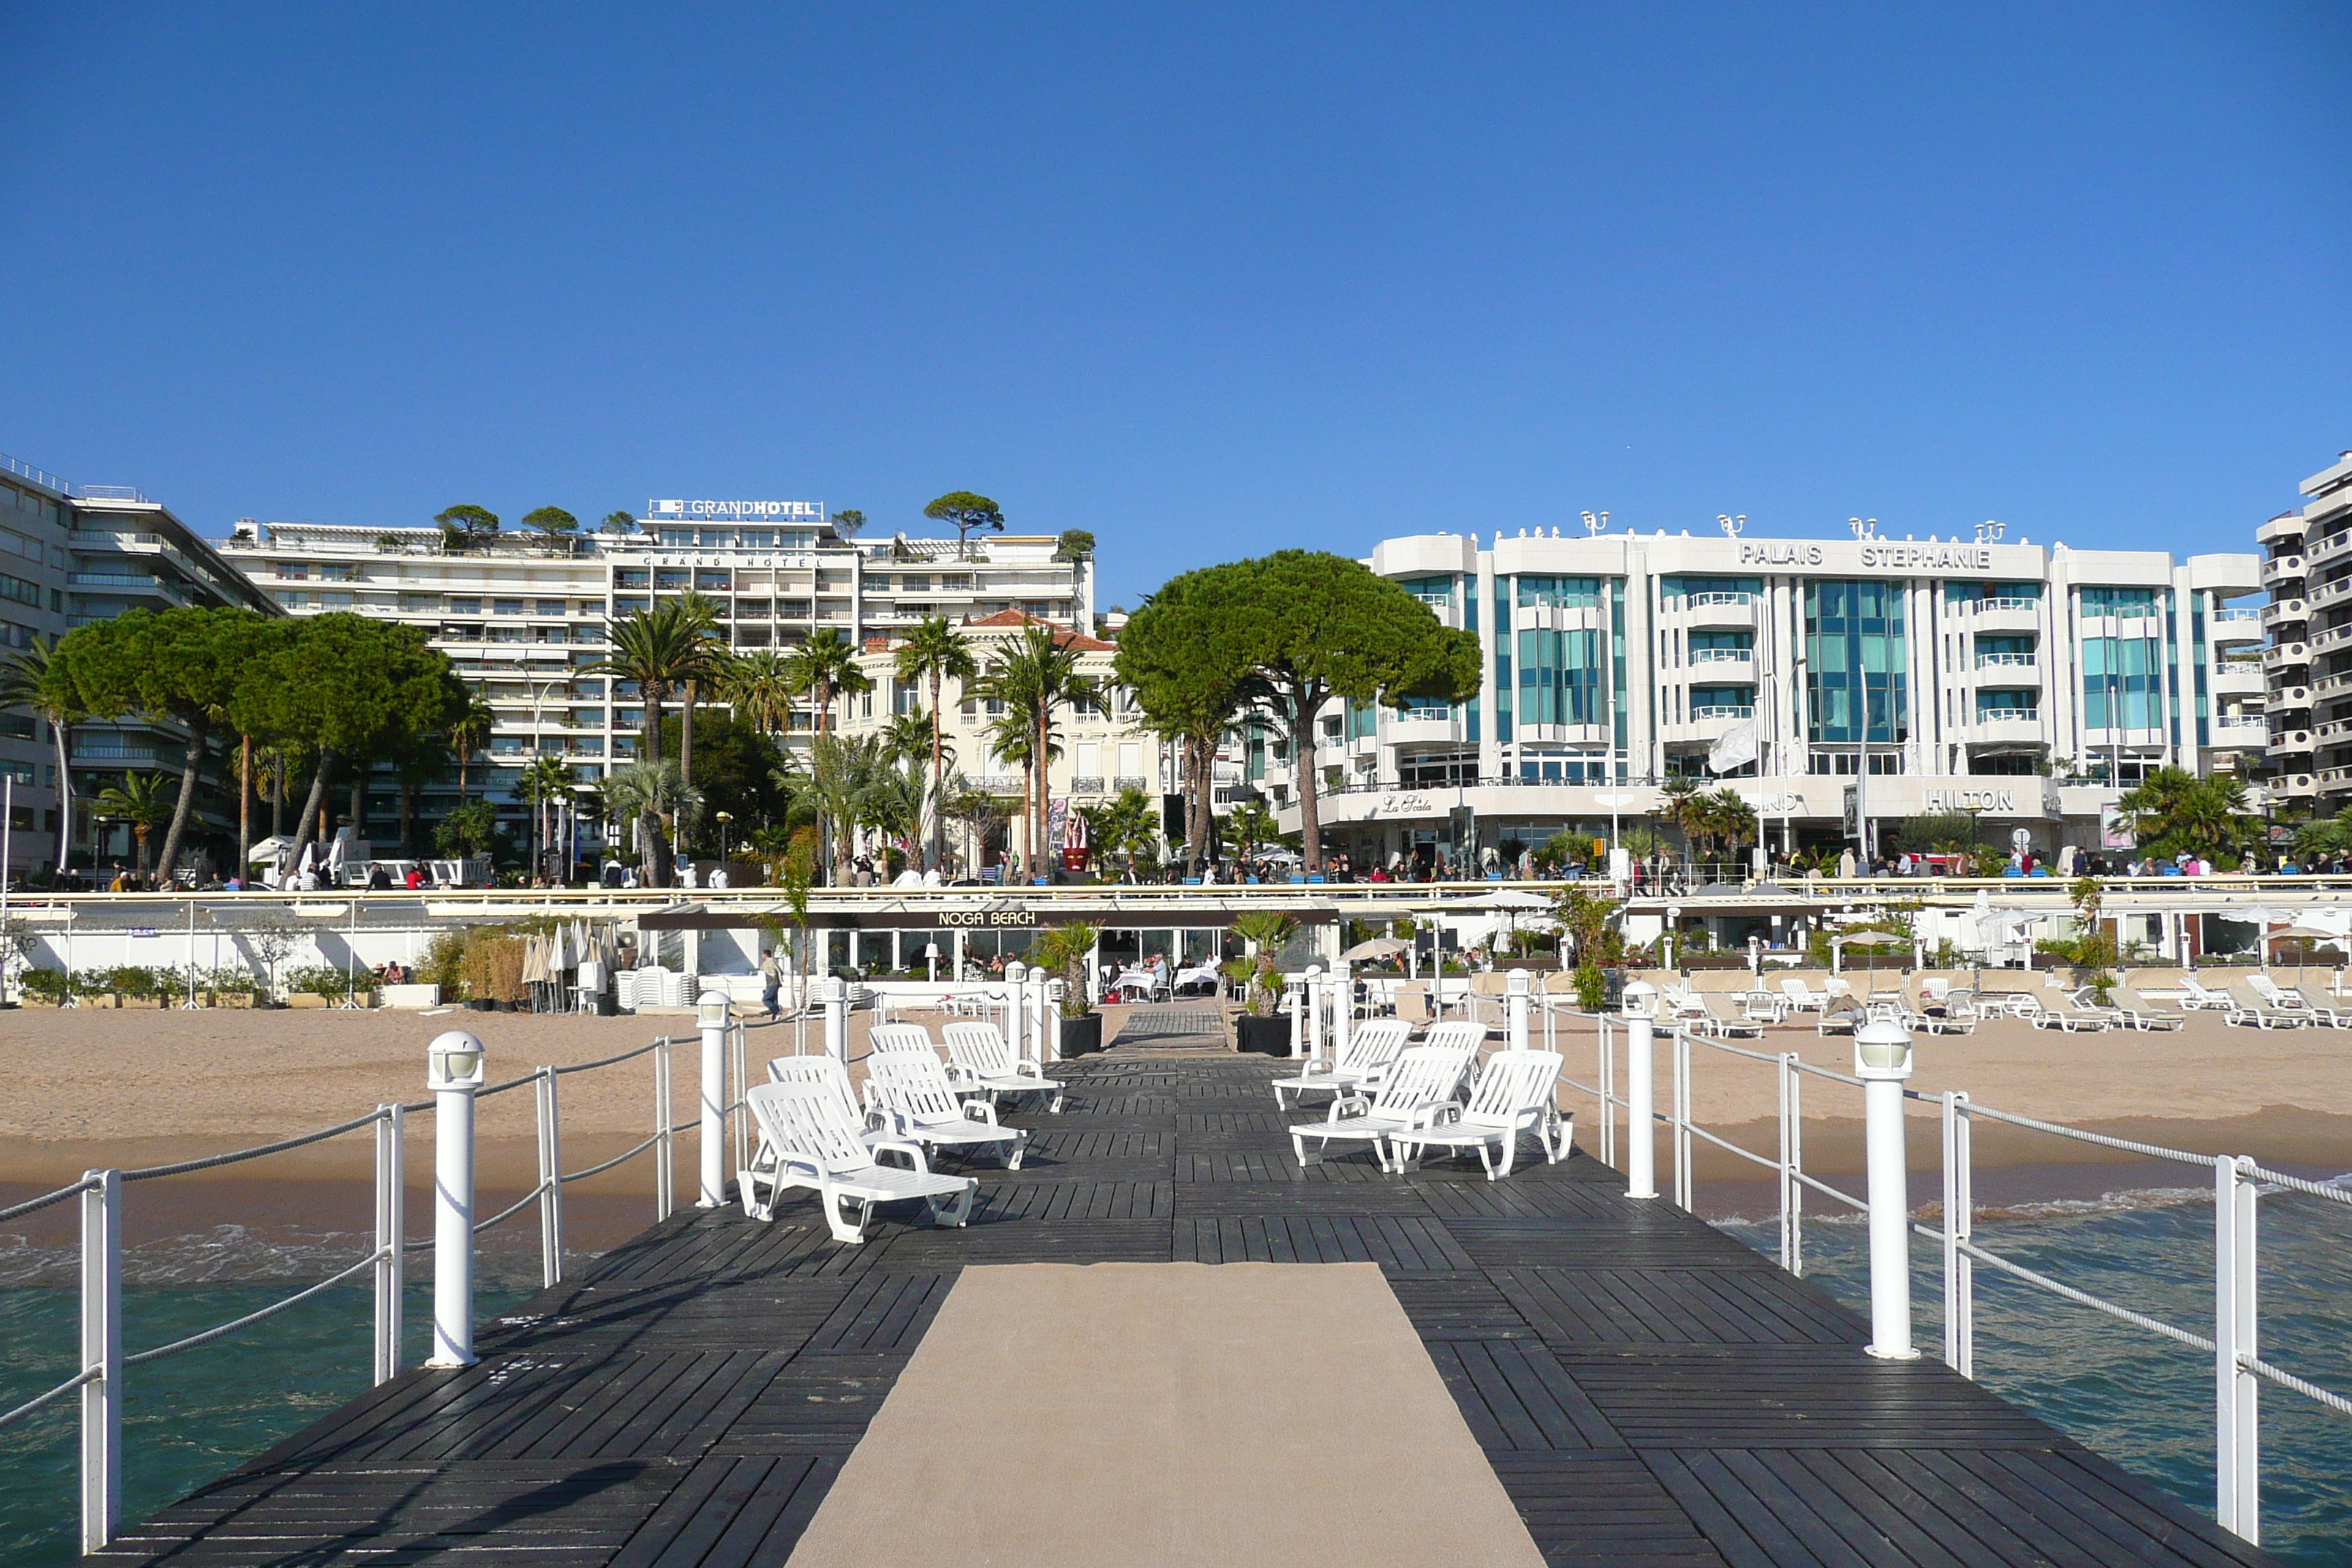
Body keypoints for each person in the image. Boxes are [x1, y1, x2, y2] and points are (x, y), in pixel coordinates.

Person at [759, 946, 783, 1022]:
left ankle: (777, 1012)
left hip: (773, 983)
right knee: (773, 1000)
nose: (762, 956)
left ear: (765, 955)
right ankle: (775, 1018)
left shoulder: (770, 961)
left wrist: (778, 978)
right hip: (772, 983)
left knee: (765, 1000)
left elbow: (779, 971)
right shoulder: (766, 963)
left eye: (763, 954)